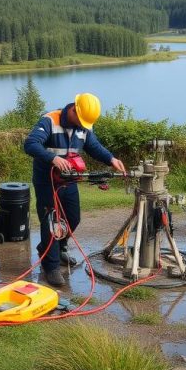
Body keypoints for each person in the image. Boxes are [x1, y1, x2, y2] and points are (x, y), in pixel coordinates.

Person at [24, 93, 125, 287]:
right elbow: (30, 144)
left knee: (73, 218)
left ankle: (58, 248)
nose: (82, 125)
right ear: (73, 110)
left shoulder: (83, 125)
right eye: (81, 120)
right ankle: (51, 267)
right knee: (51, 223)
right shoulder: (49, 120)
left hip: (69, 181)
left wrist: (111, 159)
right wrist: (52, 158)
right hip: (47, 182)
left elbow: (93, 146)